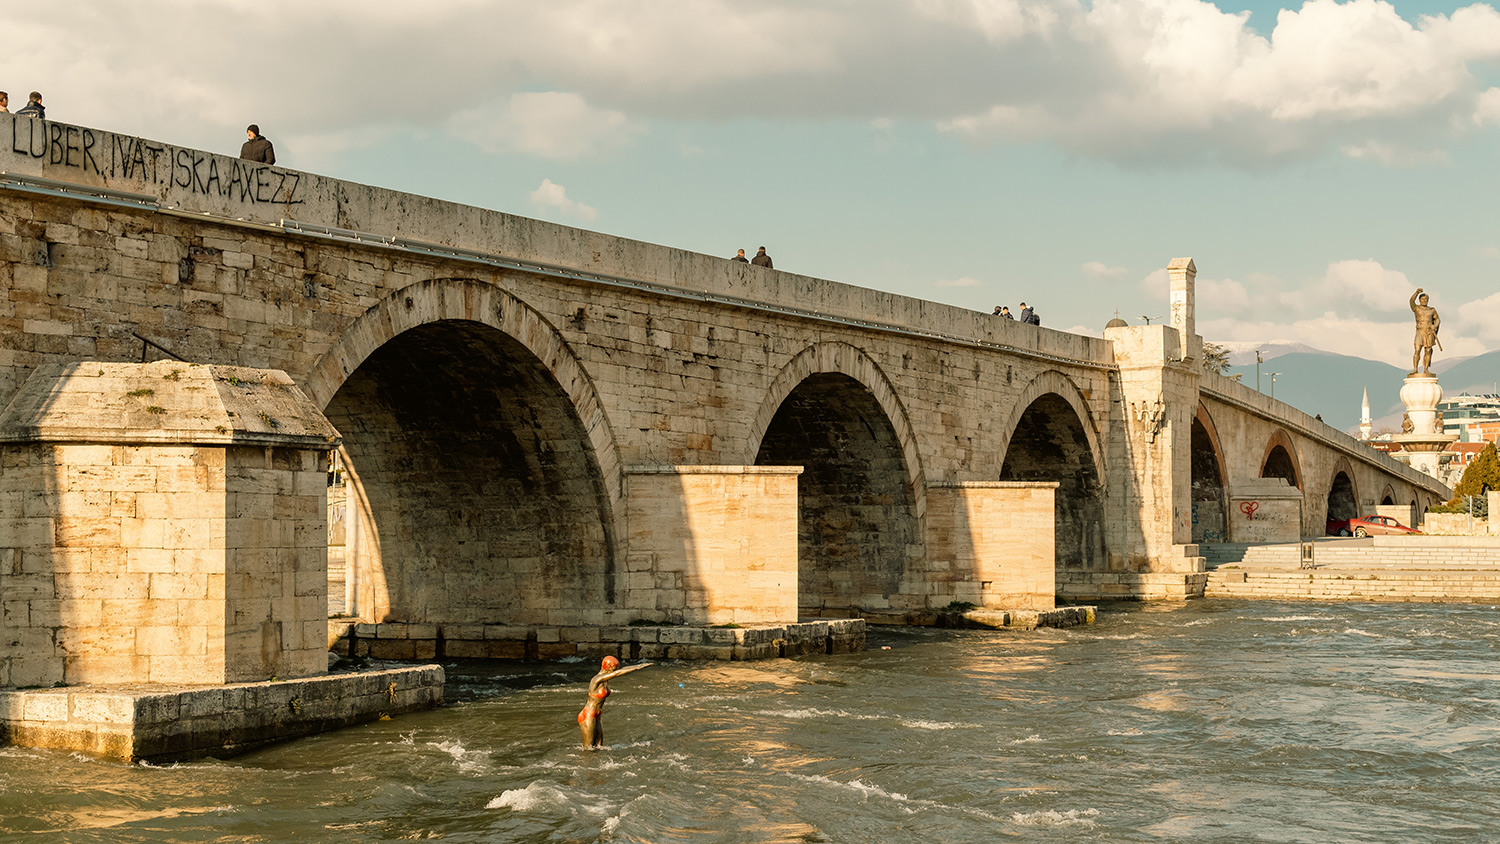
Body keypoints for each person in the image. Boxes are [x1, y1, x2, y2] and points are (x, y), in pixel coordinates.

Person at [578, 655, 652, 749]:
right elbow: (618, 673)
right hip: (588, 714)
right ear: (607, 667)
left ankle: (596, 763)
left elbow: (622, 669)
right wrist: (637, 667)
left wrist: (639, 665)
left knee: (599, 747)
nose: (615, 671)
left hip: (597, 714)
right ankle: (583, 763)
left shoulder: (605, 679)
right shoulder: (597, 679)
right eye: (614, 669)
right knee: (588, 748)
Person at [1409, 287, 1440, 375]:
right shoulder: (1416, 308)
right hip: (1420, 331)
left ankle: (1426, 369)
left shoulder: (1431, 310)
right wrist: (1416, 293)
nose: (1424, 300)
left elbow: (1437, 319)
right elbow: (1411, 301)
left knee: (1428, 350)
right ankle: (1415, 369)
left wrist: (1435, 325)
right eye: (1422, 299)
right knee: (1417, 349)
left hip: (1428, 332)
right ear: (1419, 300)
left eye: (1426, 299)